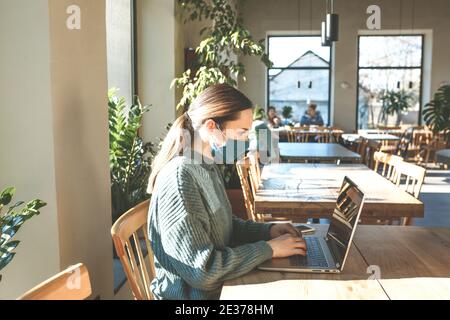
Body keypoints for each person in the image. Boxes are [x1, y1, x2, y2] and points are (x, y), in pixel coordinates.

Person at [147, 84, 306, 300]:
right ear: (212, 126)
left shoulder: (205, 166)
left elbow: (224, 227)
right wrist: (268, 249)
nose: (246, 140)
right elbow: (202, 271)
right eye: (242, 132)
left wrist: (268, 232)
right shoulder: (180, 178)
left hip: (222, 287)